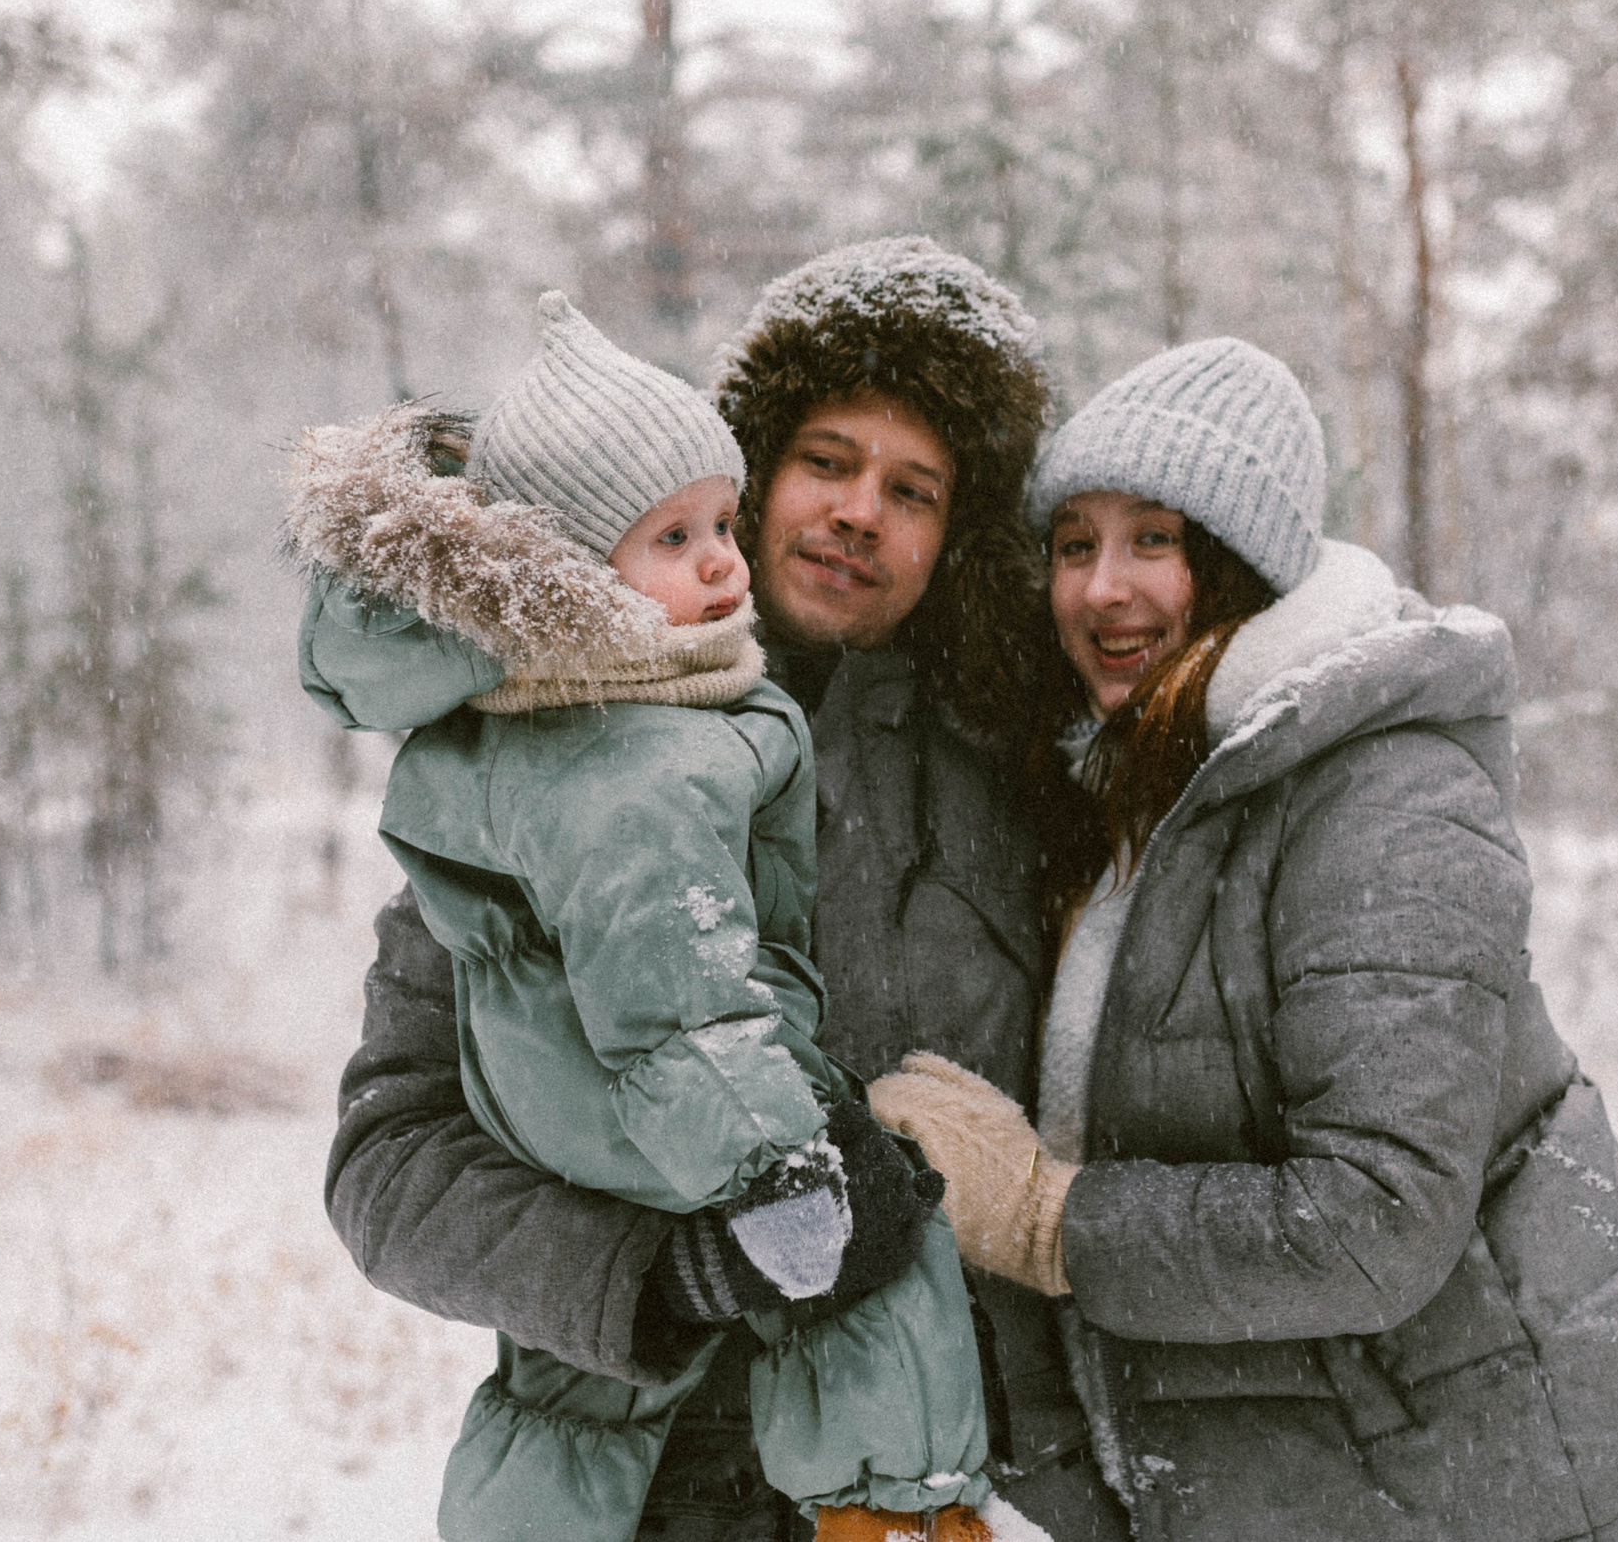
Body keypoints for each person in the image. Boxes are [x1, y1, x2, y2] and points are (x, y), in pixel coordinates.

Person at [320, 239, 1131, 1541]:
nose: (859, 510)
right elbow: (390, 1162)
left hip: (942, 1467)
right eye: (826, 460)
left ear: (957, 532)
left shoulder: (1029, 775)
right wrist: (664, 1274)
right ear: (749, 470)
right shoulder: (539, 751)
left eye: (912, 488)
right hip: (647, 1481)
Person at [870, 337, 1618, 1541]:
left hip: (1490, 1474)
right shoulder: (1140, 784)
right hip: (1339, 1470)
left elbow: (1379, 1213)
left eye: (1153, 540)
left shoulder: (1383, 790)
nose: (1100, 588)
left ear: (1243, 564)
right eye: (1073, 544)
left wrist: (1049, 1217)